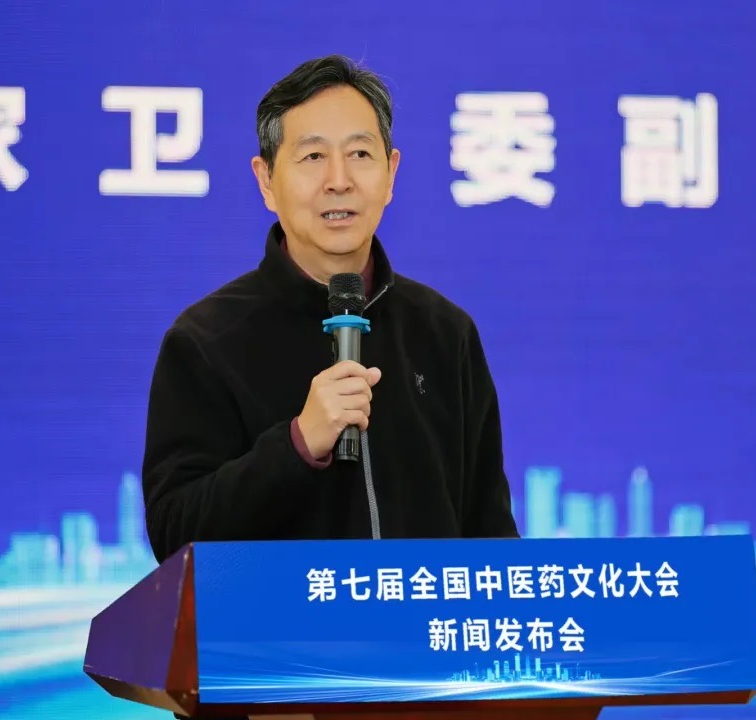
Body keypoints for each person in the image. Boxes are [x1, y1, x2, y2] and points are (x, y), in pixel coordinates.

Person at [140, 55, 519, 565]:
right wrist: (297, 445)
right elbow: (174, 533)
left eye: (360, 153)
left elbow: (491, 537)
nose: (339, 180)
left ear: (391, 173)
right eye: (313, 156)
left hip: (421, 617)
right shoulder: (205, 341)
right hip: (283, 621)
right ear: (266, 180)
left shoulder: (446, 333)